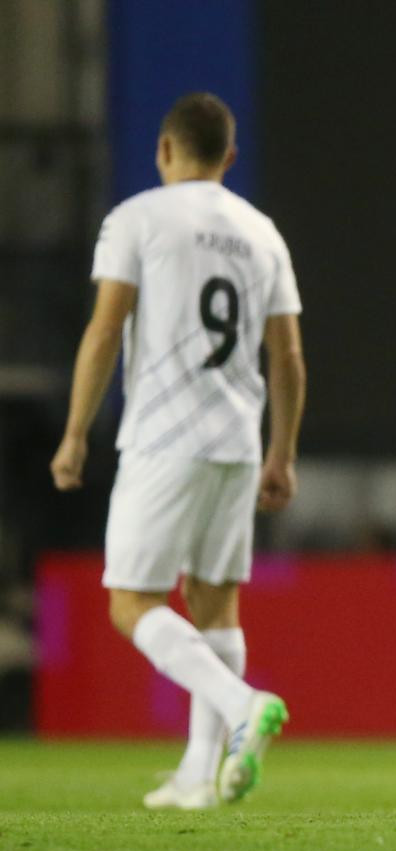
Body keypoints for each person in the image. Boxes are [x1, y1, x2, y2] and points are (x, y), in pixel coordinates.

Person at [50, 93, 305, 809]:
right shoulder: (263, 233)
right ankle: (199, 776)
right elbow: (287, 357)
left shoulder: (138, 218)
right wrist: (282, 451)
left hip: (165, 438)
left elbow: (105, 329)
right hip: (237, 442)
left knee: (131, 602)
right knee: (214, 603)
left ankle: (239, 704)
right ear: (229, 158)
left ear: (165, 149)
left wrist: (75, 432)